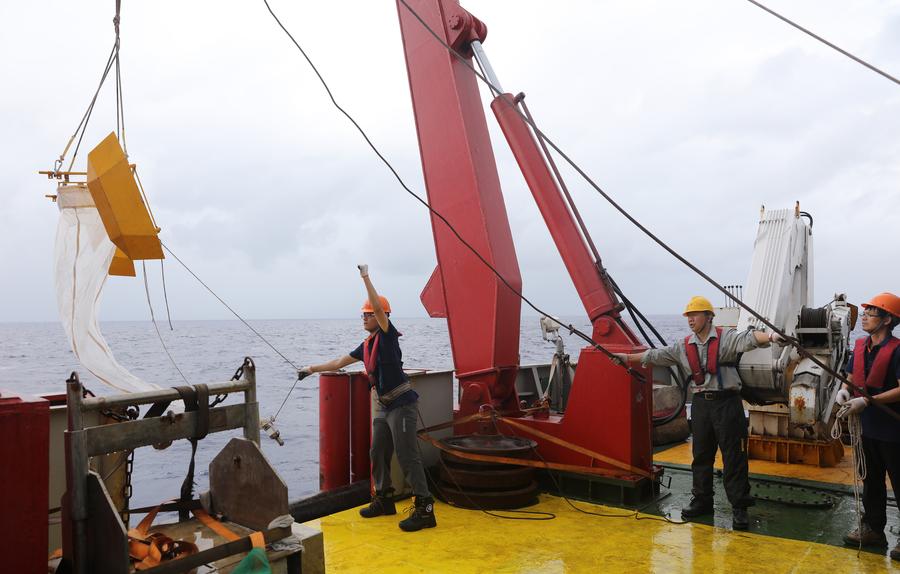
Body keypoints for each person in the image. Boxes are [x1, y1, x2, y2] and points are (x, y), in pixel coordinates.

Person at [613, 295, 780, 531]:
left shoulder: (726, 339)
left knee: (734, 457)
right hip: (701, 405)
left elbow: (750, 339)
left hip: (728, 404)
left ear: (708, 317)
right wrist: (627, 359)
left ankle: (739, 507)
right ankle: (702, 500)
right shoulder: (683, 346)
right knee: (701, 456)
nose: (690, 319)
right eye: (688, 316)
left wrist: (772, 336)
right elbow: (656, 355)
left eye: (695, 315)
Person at [298, 265, 436, 532]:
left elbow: (379, 308)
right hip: (383, 406)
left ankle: (425, 509)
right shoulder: (366, 345)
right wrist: (311, 369)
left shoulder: (387, 335)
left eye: (369, 314)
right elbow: (339, 362)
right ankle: (383, 500)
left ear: (381, 316)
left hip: (402, 404)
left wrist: (365, 277)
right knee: (378, 452)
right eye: (363, 314)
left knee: (407, 456)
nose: (364, 317)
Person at [835, 292, 900, 560]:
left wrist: (868, 401)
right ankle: (874, 528)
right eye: (865, 312)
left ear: (886, 320)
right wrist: (844, 392)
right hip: (867, 429)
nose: (864, 316)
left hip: (893, 431)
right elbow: (851, 377)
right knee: (871, 481)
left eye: (871, 313)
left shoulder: (898, 351)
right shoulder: (861, 346)